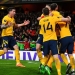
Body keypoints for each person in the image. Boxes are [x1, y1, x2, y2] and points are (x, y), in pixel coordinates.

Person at [39, 7, 71, 75]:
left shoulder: (41, 21)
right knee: (56, 57)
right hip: (53, 40)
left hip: (45, 40)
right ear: (49, 12)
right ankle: (59, 73)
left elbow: (43, 21)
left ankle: (42, 65)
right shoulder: (52, 18)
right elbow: (64, 19)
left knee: (46, 56)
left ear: (43, 13)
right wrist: (69, 18)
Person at [50, 3, 75, 75]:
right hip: (70, 37)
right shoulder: (66, 21)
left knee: (61, 53)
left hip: (64, 38)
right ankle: (73, 70)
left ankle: (68, 64)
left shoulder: (57, 19)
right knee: (70, 54)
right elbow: (68, 20)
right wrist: (69, 18)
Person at [36, 4, 53, 71]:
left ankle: (49, 65)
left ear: (50, 9)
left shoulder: (52, 14)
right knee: (37, 48)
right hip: (41, 34)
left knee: (50, 52)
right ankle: (42, 62)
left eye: (47, 8)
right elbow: (38, 19)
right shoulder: (43, 14)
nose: (45, 9)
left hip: (49, 35)